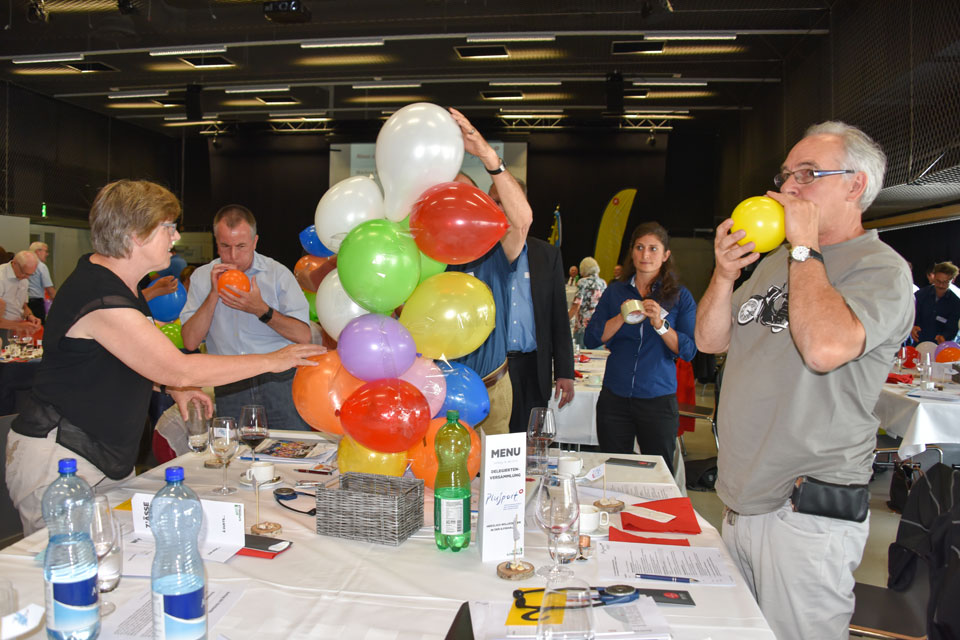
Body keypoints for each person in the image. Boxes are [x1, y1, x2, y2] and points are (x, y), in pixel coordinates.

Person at [694, 122, 913, 640]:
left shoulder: (880, 268)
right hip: (741, 497)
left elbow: (824, 349)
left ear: (855, 185)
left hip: (804, 509)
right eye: (786, 175)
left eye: (808, 175)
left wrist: (805, 247)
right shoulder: (775, 262)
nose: (788, 188)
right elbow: (709, 341)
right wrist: (725, 275)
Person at [7, 180, 323, 534]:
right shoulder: (98, 293)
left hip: (101, 459)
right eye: (168, 228)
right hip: (64, 461)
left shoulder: (122, 288)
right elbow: (179, 364)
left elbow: (129, 360)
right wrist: (273, 360)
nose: (176, 237)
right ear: (134, 234)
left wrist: (173, 388)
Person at [181, 204, 314, 429]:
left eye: (241, 246)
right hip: (230, 382)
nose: (233, 256)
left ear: (255, 242)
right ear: (216, 242)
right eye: (225, 246)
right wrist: (213, 295)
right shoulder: (202, 277)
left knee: (289, 450)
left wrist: (261, 310)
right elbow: (190, 341)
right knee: (237, 456)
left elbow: (303, 336)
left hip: (278, 380)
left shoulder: (277, 274)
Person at [584, 223, 697, 473]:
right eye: (640, 248)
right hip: (615, 397)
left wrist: (660, 324)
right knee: (614, 471)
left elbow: (688, 350)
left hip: (657, 398)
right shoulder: (615, 291)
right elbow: (591, 338)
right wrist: (621, 317)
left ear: (665, 255)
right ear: (632, 253)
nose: (646, 255)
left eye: (653, 249)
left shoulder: (679, 296)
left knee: (659, 473)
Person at [447, 107, 532, 435]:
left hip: (492, 391)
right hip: (439, 392)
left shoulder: (494, 246)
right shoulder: (418, 254)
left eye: (464, 196)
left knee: (497, 485)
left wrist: (486, 154)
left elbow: (522, 219)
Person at [497, 181, 574, 434]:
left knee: (529, 444)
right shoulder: (479, 254)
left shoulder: (546, 255)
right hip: (493, 367)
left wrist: (565, 371)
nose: (500, 208)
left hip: (534, 367)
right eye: (495, 202)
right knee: (494, 440)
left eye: (505, 201)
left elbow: (558, 319)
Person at [912, 261, 960, 344]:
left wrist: (945, 336)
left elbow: (953, 326)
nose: (941, 285)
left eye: (945, 282)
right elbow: (912, 315)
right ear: (933, 277)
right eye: (938, 281)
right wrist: (912, 327)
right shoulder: (920, 295)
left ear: (952, 280)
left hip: (941, 345)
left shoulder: (955, 302)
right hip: (919, 342)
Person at [0, 251, 42, 346]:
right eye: (24, 273)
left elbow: (23, 306)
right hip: (3, 331)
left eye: (30, 274)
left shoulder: (24, 279)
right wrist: (20, 326)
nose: (26, 277)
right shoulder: (1, 277)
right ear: (14, 264)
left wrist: (30, 316)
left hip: (17, 330)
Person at [568, 256, 607, 348]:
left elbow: (576, 305)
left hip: (583, 327)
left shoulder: (582, 282)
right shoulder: (603, 283)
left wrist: (565, 320)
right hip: (598, 325)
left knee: (581, 355)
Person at [26, 242, 56, 323]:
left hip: (25, 303)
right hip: (36, 304)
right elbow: (50, 290)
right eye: (45, 251)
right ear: (37, 251)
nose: (47, 254)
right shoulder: (41, 266)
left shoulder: (25, 264)